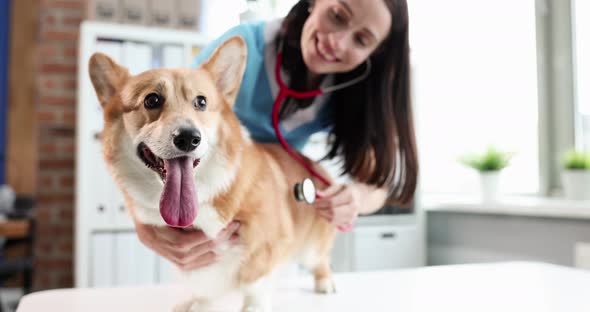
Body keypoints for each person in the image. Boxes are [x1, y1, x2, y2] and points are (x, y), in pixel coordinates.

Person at [134, 0, 417, 271]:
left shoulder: (353, 91)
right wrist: (145, 228)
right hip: (212, 217)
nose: (338, 42)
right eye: (338, 16)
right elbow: (161, 135)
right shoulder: (240, 50)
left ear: (375, 52)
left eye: (362, 40)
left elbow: (376, 183)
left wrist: (354, 197)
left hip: (272, 224)